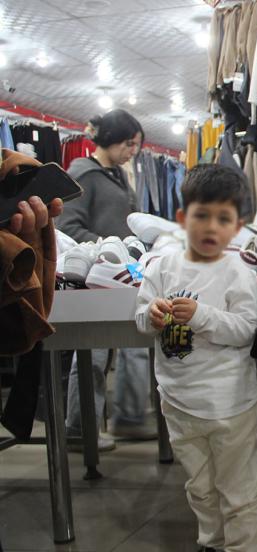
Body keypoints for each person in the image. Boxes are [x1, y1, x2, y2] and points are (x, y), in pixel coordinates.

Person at [135, 165, 257, 552]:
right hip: (178, 401)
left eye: (223, 219)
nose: (211, 228)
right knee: (200, 487)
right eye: (201, 216)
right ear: (182, 218)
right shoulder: (161, 267)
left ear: (237, 226)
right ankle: (211, 541)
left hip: (230, 406)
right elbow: (141, 319)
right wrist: (152, 315)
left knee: (239, 491)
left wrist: (202, 315)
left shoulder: (239, 272)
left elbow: (246, 330)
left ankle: (242, 546)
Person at [56, 109, 153, 449]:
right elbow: (67, 226)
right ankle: (79, 429)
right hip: (93, 278)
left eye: (136, 145)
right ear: (111, 138)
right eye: (129, 143)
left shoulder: (116, 175)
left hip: (121, 275)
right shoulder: (83, 174)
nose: (132, 151)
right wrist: (105, 247)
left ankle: (127, 419)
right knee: (92, 357)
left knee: (130, 347)